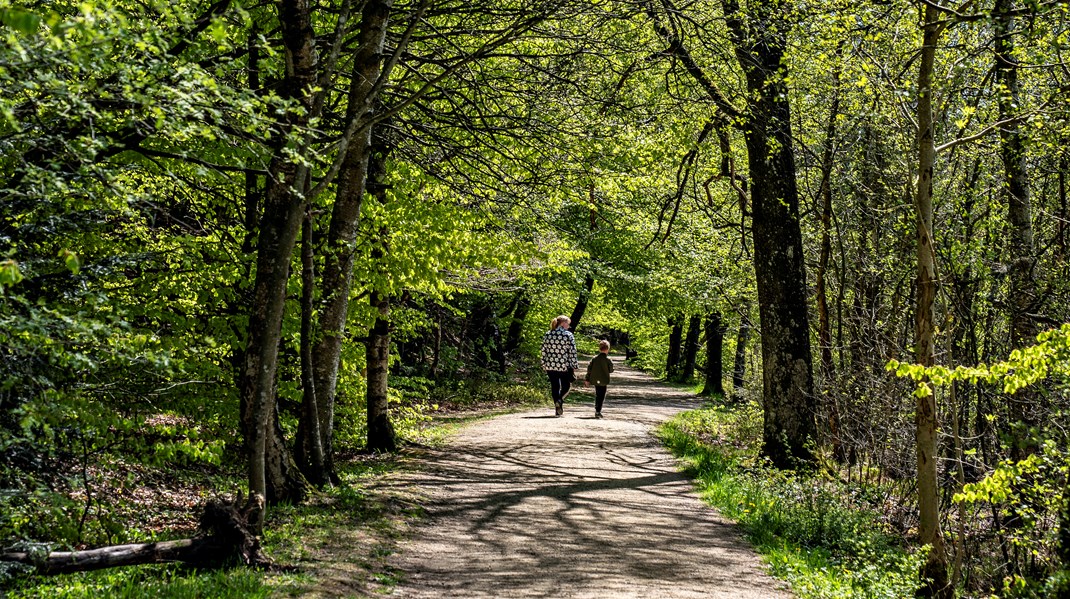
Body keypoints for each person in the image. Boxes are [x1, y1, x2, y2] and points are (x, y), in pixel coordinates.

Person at [540, 315, 578, 417]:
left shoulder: (548, 334)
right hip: (563, 366)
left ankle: (557, 408)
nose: (568, 326)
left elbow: (544, 350)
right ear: (563, 323)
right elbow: (572, 352)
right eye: (568, 324)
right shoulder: (568, 335)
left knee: (555, 386)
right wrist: (574, 365)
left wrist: (543, 363)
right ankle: (559, 400)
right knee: (566, 386)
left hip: (550, 365)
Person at [584, 339, 614, 419]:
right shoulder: (608, 360)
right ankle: (598, 411)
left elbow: (589, 369)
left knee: (598, 394)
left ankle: (597, 409)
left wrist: (587, 379)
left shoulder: (594, 359)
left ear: (599, 348)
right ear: (608, 349)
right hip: (604, 380)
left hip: (595, 380)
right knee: (602, 395)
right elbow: (611, 370)